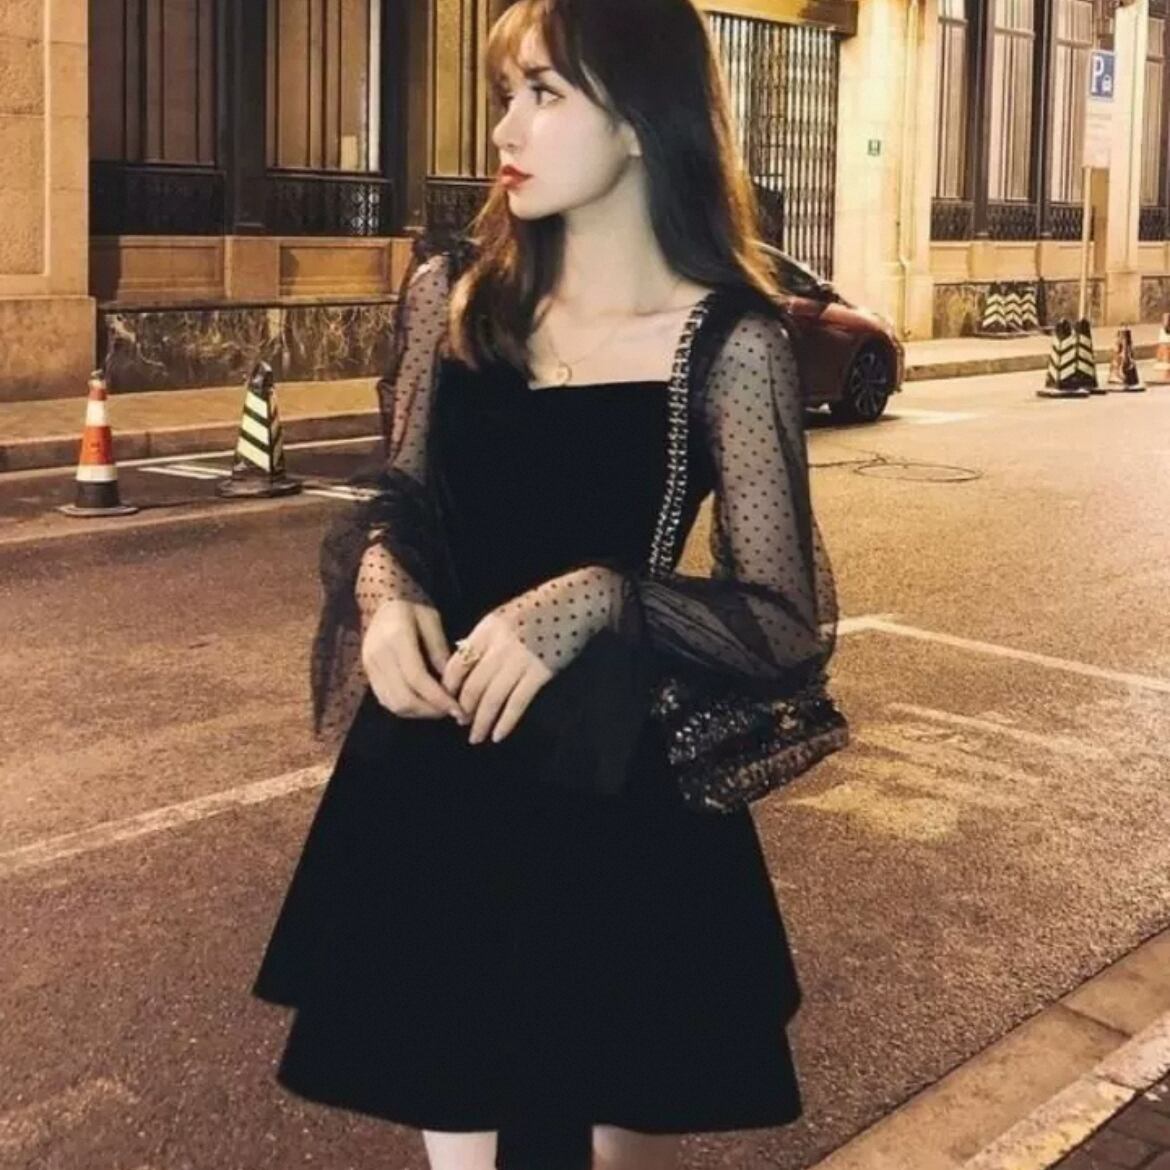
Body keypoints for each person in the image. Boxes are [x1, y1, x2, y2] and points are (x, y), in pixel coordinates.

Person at [249, 0, 841, 1167]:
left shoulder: (729, 344)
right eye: (504, 93)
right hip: (441, 778)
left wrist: (600, 599)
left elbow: (783, 622)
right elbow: (401, 493)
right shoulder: (458, 297)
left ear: (641, 120)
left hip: (618, 801)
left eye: (544, 93)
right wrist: (385, 590)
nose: (504, 128)